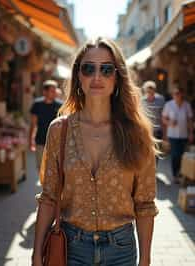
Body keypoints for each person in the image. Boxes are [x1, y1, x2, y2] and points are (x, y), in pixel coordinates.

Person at [32, 37, 159, 266]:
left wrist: (146, 260)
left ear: (117, 77)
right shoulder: (59, 130)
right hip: (70, 248)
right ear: (78, 76)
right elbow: (49, 196)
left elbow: (145, 204)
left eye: (107, 69)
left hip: (121, 251)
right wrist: (35, 255)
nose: (97, 77)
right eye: (88, 68)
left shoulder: (137, 134)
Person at [162, 87, 194, 183]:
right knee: (175, 155)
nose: (177, 95)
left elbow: (190, 120)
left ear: (182, 94)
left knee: (183, 155)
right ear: (173, 95)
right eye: (175, 94)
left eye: (179, 93)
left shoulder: (186, 105)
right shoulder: (168, 105)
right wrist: (169, 123)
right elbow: (163, 119)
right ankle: (175, 174)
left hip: (184, 135)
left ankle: (181, 174)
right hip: (173, 135)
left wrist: (191, 133)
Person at [29, 80, 62, 170]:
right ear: (45, 92)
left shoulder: (60, 105)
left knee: (54, 167)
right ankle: (43, 183)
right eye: (52, 91)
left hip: (56, 141)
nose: (54, 93)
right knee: (40, 166)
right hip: (40, 140)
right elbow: (33, 124)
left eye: (55, 90)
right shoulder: (37, 104)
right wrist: (30, 141)